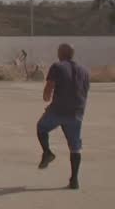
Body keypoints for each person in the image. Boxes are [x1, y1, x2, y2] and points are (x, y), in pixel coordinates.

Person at [37, 43, 90, 190]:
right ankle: (74, 180)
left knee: (41, 127)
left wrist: (47, 99)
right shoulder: (84, 71)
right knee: (75, 148)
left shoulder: (57, 66)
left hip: (58, 110)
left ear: (61, 54)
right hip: (76, 113)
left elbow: (49, 88)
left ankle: (47, 153)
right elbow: (84, 92)